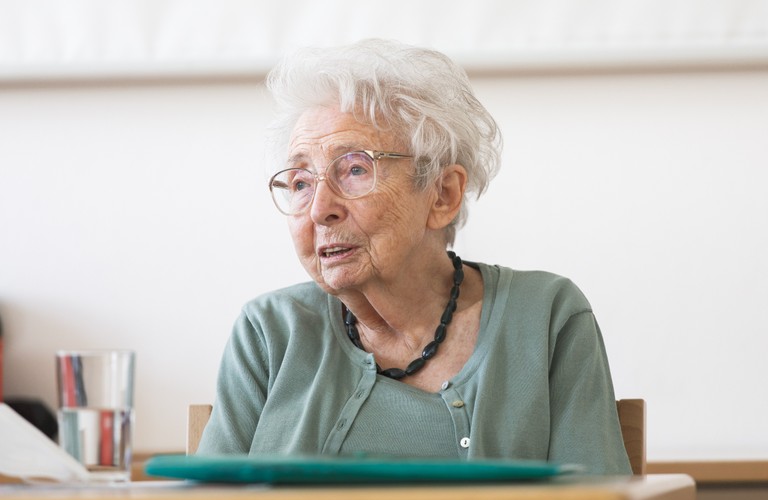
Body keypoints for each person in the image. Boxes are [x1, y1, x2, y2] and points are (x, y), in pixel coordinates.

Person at [197, 39, 631, 474]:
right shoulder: (271, 332)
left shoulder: (545, 319)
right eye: (300, 181)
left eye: (354, 169)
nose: (318, 208)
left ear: (443, 194)